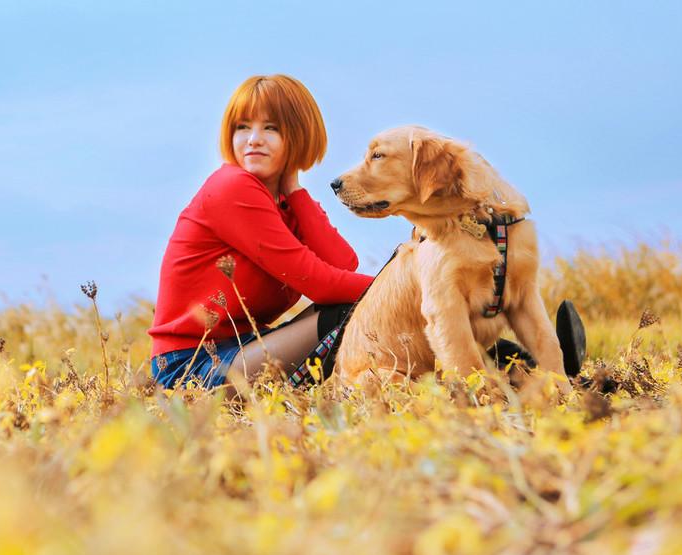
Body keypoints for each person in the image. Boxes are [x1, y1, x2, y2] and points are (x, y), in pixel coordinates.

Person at [148, 74, 587, 391]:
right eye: (242, 127)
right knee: (353, 315)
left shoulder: (276, 198)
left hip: (242, 348)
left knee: (372, 307)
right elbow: (321, 284)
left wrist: (295, 189)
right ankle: (526, 368)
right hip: (191, 367)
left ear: (298, 138)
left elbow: (343, 263)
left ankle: (532, 366)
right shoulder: (232, 188)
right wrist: (413, 285)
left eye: (272, 129)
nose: (253, 140)